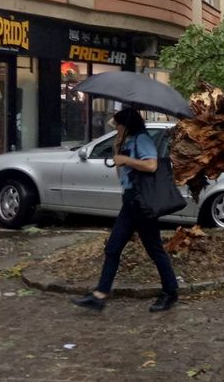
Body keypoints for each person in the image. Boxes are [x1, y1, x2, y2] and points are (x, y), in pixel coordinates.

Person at [72, 107, 179, 312]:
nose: (116, 128)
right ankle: (100, 295)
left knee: (155, 249)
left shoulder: (142, 140)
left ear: (126, 124)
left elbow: (151, 165)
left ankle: (171, 292)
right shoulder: (128, 141)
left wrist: (126, 159)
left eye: (118, 125)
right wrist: (117, 149)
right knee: (113, 248)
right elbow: (122, 176)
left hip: (141, 203)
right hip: (130, 202)